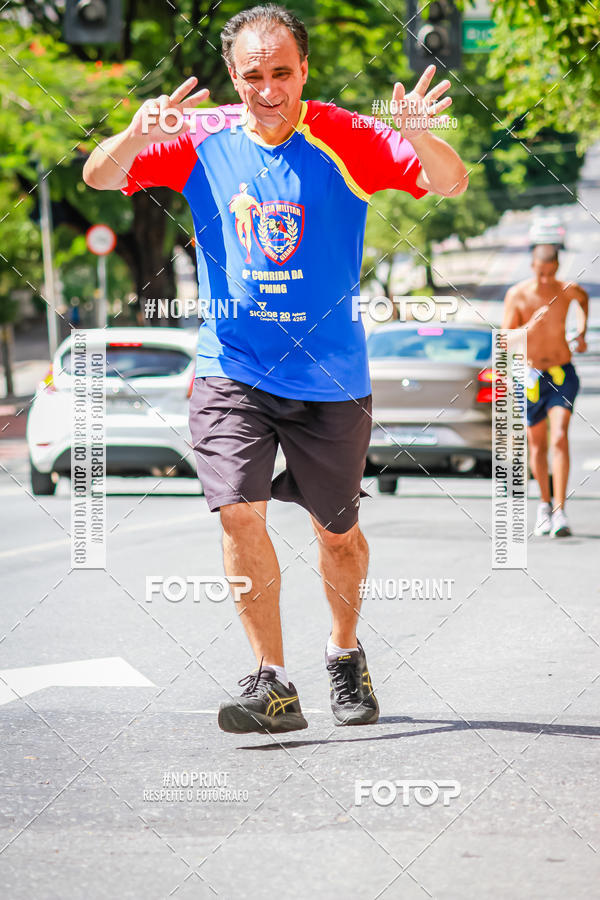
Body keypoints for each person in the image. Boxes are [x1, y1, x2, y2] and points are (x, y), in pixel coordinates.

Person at [83, 4, 468, 734]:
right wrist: (137, 132)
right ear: (234, 75)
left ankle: (344, 654)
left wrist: (420, 134)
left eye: (282, 72)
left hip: (331, 378)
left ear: (304, 70)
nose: (268, 88)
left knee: (337, 534)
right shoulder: (198, 136)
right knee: (236, 510)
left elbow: (448, 183)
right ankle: (274, 681)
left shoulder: (347, 135)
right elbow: (101, 175)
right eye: (253, 74)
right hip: (232, 368)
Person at [502, 244, 588, 538]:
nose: (545, 280)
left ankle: (561, 511)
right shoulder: (518, 295)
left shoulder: (566, 290)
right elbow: (504, 341)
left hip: (562, 373)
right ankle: (544, 505)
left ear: (557, 267)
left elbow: (584, 299)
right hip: (531, 377)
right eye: (541, 273)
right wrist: (529, 326)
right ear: (532, 267)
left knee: (560, 435)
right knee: (537, 445)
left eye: (550, 273)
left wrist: (583, 331)